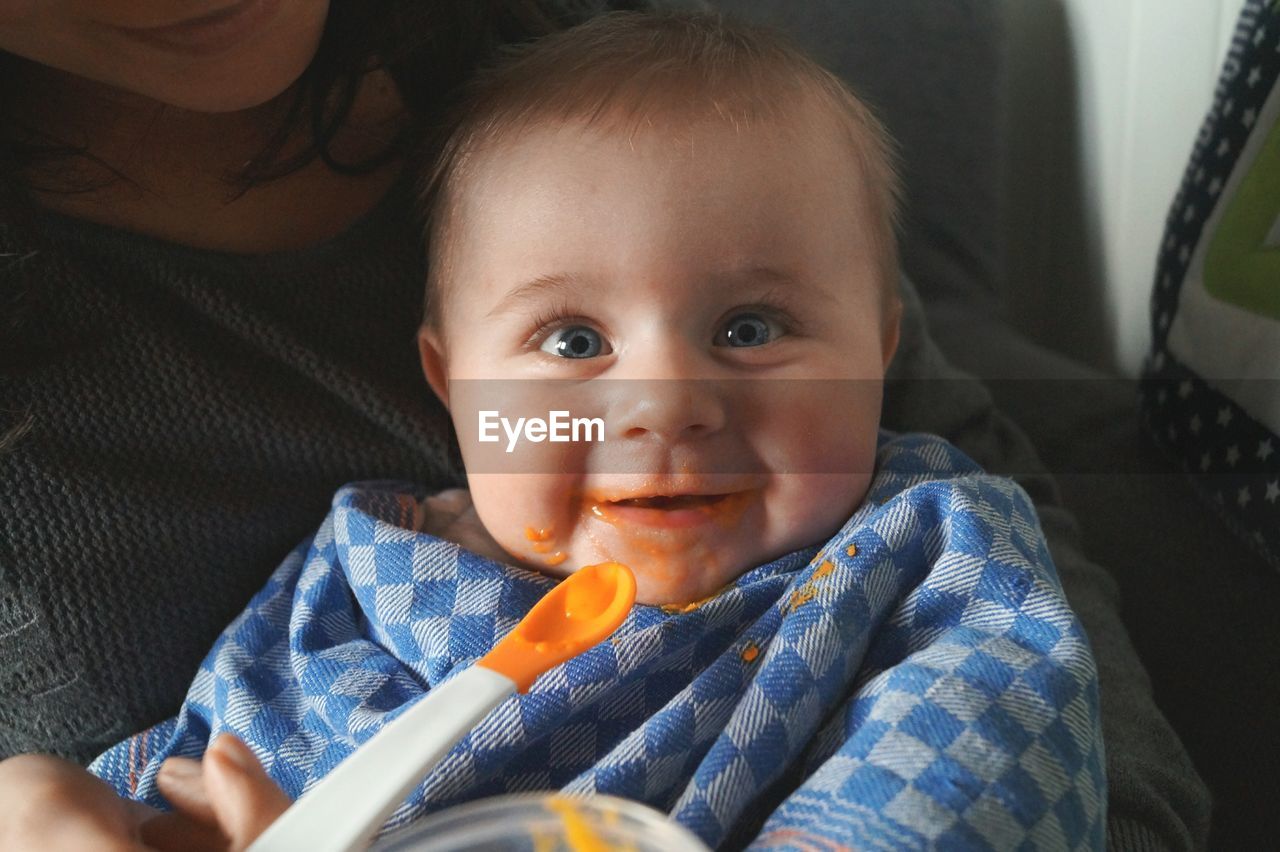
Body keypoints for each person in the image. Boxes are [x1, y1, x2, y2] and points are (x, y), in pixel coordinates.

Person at [0, 2, 1209, 851]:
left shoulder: (918, 550)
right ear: (443, 381)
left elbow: (977, 754)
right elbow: (213, 754)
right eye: (572, 343)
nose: (665, 405)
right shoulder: (361, 573)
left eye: (748, 328)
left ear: (880, 353)